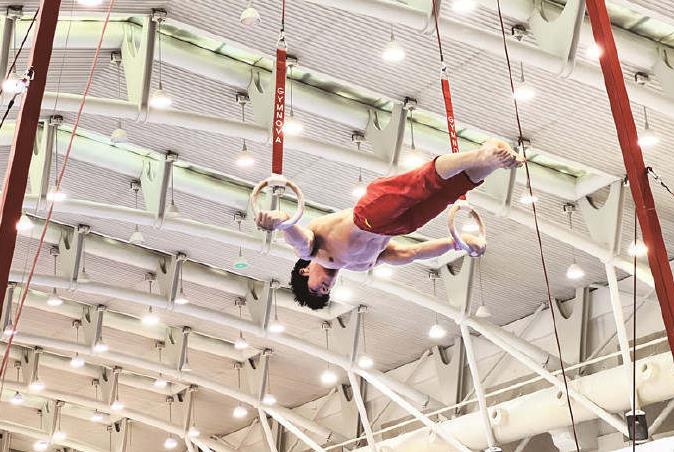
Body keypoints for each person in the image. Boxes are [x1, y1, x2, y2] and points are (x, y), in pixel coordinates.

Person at [255, 139, 523, 310]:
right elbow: (412, 253)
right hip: (399, 227)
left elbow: (297, 236)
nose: (325, 288)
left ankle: (480, 155)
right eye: (326, 292)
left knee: (422, 183)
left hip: (369, 214)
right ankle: (493, 162)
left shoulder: (314, 251)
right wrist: (458, 243)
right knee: (448, 193)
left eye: (316, 289)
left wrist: (280, 221)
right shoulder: (362, 264)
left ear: (304, 272)